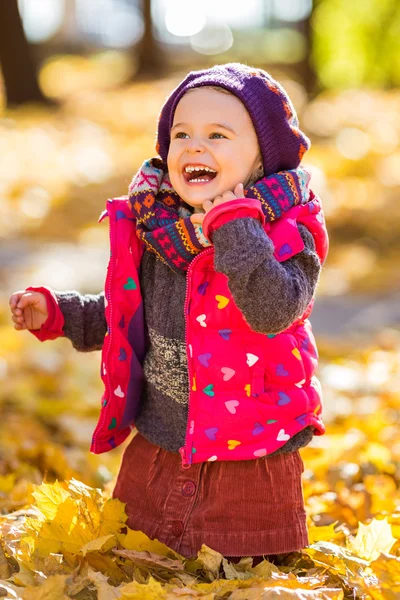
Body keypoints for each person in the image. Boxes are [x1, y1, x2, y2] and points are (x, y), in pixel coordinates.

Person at [9, 63, 329, 562]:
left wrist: (236, 228)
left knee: (240, 573)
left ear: (264, 158)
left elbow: (274, 311)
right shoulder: (163, 232)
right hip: (162, 442)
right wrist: (58, 314)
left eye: (218, 134)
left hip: (250, 448)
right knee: (139, 559)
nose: (194, 146)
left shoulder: (289, 232)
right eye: (181, 134)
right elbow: (126, 315)